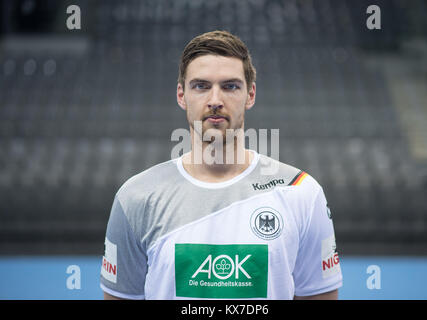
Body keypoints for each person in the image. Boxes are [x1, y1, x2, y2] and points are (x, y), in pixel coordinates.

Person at [100, 30, 342, 300]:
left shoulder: (301, 193)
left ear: (250, 95)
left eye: (230, 86)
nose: (215, 101)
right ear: (181, 95)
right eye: (201, 86)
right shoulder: (135, 197)